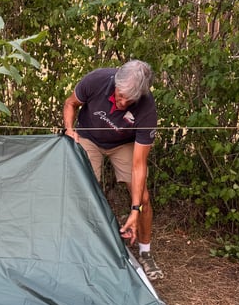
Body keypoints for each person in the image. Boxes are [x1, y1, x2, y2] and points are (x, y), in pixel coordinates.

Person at [62, 59, 164, 280]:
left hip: (122, 144)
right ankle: (83, 249)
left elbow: (139, 164)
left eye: (129, 99)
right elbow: (70, 104)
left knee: (143, 198)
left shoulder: (146, 108)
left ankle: (145, 253)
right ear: (115, 83)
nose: (123, 102)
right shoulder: (96, 80)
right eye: (120, 96)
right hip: (88, 137)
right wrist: (69, 130)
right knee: (84, 192)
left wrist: (134, 210)